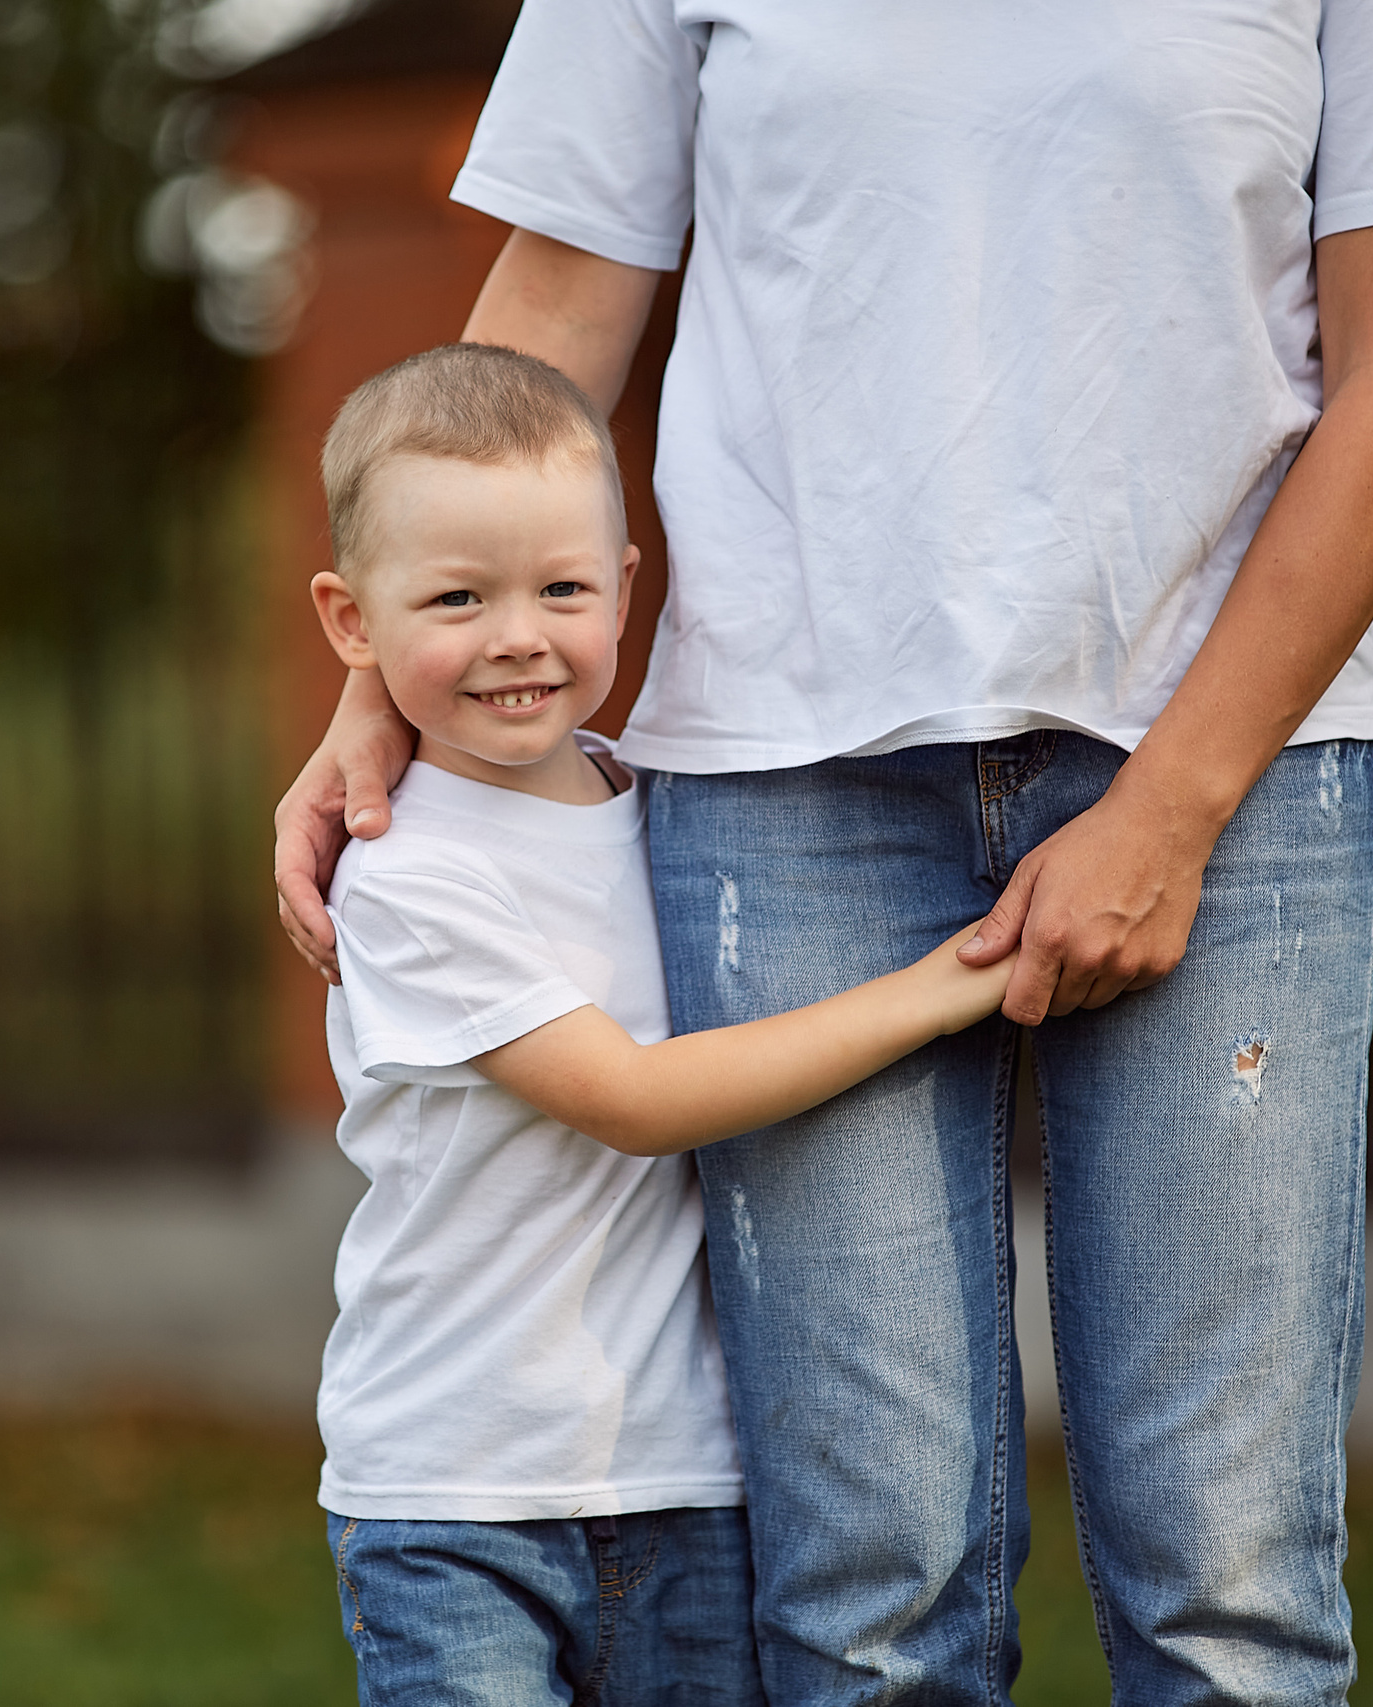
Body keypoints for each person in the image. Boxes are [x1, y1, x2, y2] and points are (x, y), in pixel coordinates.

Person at [277, 5, 1373, 1702]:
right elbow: (554, 302)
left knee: (1227, 1599)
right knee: (869, 1611)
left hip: (1237, 763)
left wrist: (1172, 807)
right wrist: (386, 684)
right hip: (786, 776)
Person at [308, 343, 1015, 1706]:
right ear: (352, 621)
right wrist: (947, 984)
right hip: (458, 1494)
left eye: (562, 590)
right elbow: (633, 1096)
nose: (520, 635)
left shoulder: (665, 816)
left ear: (627, 589)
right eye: (457, 598)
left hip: (690, 1475)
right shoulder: (406, 872)